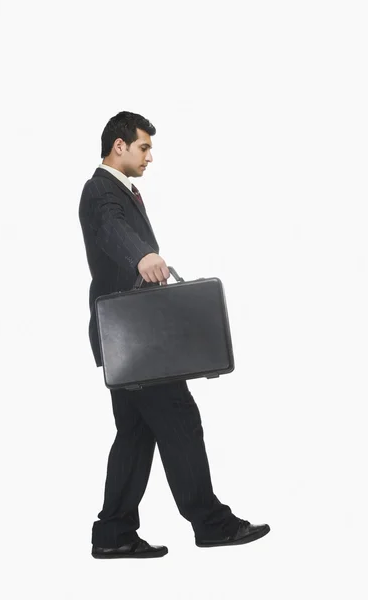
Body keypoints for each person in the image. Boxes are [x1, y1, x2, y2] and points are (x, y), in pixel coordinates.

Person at [78, 111, 270, 559]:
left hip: (128, 343)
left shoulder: (120, 189)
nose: (150, 157)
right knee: (180, 420)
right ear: (119, 146)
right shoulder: (101, 189)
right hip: (136, 342)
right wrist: (142, 253)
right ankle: (212, 523)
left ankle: (113, 534)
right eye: (143, 147)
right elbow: (110, 227)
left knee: (135, 435)